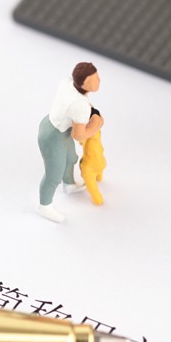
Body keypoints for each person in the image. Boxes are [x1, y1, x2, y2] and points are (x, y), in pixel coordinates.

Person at [37, 62, 103, 222]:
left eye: (97, 77)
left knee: (71, 158)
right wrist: (97, 125)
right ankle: (44, 205)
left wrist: (93, 113)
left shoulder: (68, 82)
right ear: (83, 84)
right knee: (54, 175)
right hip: (53, 137)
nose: (99, 81)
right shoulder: (80, 106)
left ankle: (69, 184)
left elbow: (83, 105)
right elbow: (79, 135)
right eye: (94, 80)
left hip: (54, 125)